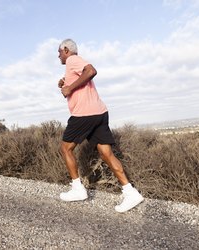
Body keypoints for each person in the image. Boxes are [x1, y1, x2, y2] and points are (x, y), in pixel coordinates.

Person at [57, 38, 144, 213]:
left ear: (66, 50)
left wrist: (69, 87)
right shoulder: (72, 67)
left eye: (59, 52)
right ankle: (130, 192)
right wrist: (64, 84)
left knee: (66, 148)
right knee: (106, 153)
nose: (58, 55)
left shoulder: (73, 59)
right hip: (100, 113)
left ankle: (77, 189)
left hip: (84, 114)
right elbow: (80, 81)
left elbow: (91, 70)